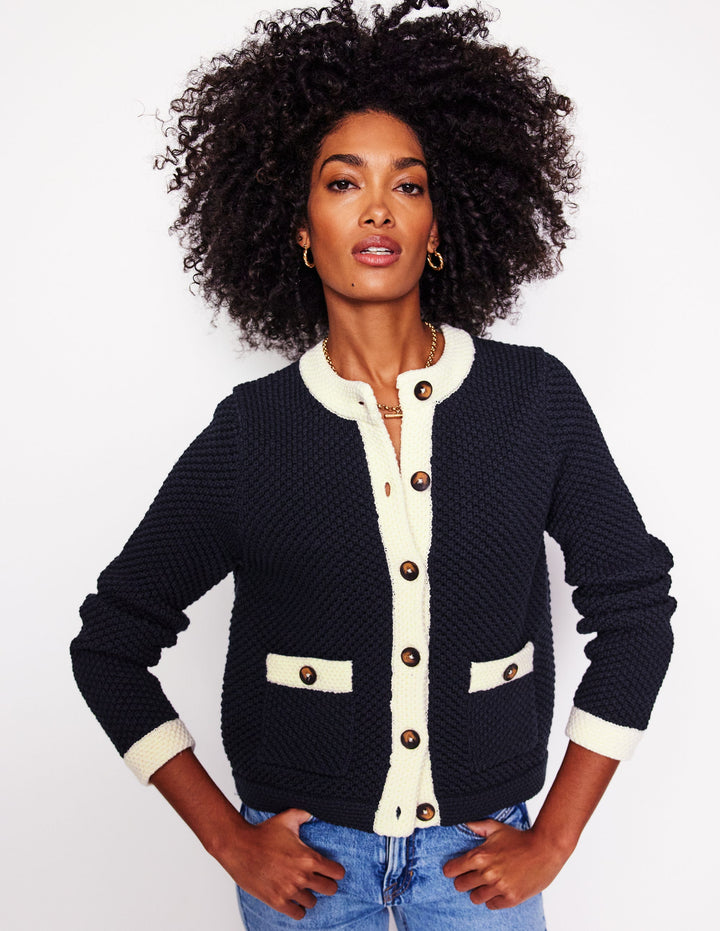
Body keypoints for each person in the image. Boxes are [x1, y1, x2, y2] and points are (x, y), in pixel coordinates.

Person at [70, 1, 676, 927]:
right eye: (344, 181)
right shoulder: (254, 432)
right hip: (308, 865)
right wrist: (230, 839)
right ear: (300, 227)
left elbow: (634, 613)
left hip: (481, 855)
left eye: (410, 184)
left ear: (438, 227)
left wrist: (555, 836)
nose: (378, 207)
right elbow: (110, 645)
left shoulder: (533, 399)